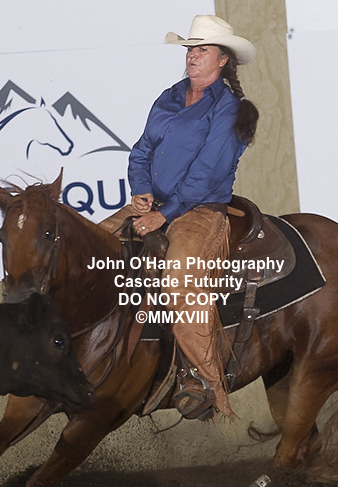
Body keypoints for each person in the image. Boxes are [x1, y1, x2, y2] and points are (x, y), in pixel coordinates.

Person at [102, 14, 258, 420]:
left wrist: (164, 214)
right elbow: (141, 151)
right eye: (190, 49)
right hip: (153, 204)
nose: (192, 56)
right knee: (94, 247)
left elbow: (207, 173)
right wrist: (141, 190)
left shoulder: (229, 109)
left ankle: (204, 381)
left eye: (202, 49)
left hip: (200, 210)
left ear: (222, 59)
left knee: (179, 279)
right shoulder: (168, 97)